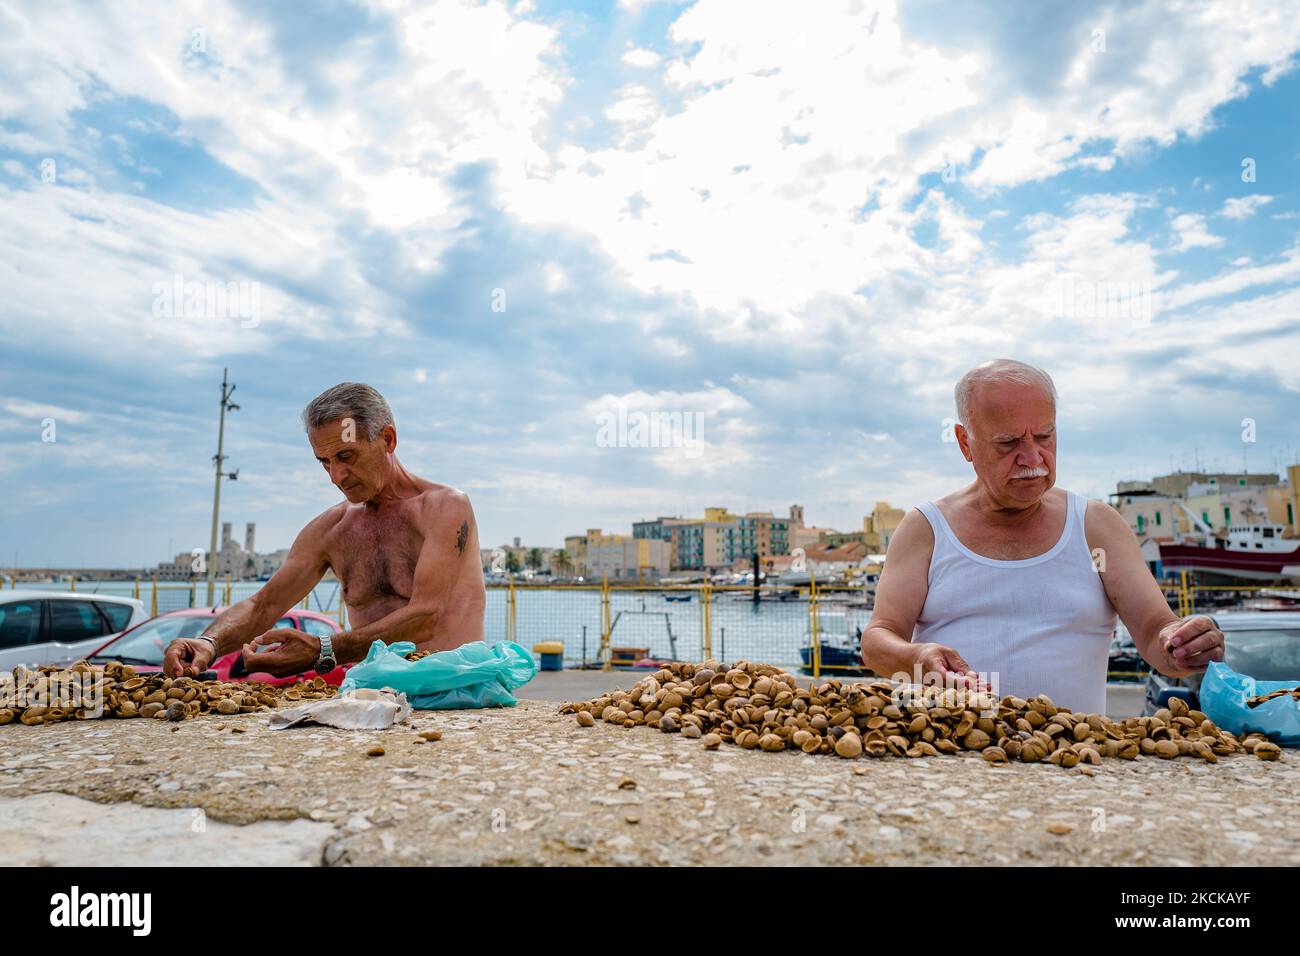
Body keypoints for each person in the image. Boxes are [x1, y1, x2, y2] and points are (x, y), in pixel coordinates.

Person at [860, 359, 1224, 713]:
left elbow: (1154, 632)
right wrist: (916, 658)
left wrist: (1182, 643)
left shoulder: (1096, 527)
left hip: (1073, 759)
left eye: (1045, 436)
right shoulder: (926, 528)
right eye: (1008, 442)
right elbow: (877, 643)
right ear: (964, 443)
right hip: (954, 762)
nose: (1032, 456)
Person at [163, 382, 486, 679]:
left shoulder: (445, 509)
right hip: (376, 702)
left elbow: (426, 616)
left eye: (346, 456)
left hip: (455, 697)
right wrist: (208, 642)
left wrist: (322, 650)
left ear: (387, 439)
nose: (337, 475)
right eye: (325, 462)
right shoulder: (331, 530)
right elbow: (263, 604)